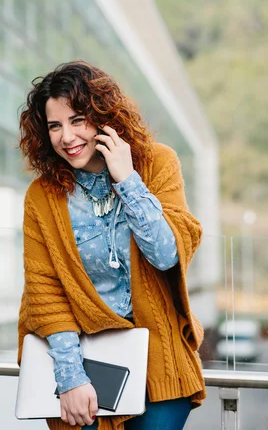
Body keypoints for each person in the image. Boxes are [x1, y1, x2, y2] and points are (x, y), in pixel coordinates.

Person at [17, 61, 205, 430]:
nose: (66, 137)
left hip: (158, 363)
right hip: (81, 366)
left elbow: (167, 255)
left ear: (103, 116)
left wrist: (127, 179)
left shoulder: (157, 164)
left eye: (77, 120)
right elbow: (44, 291)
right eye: (55, 125)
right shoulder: (42, 196)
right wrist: (71, 378)